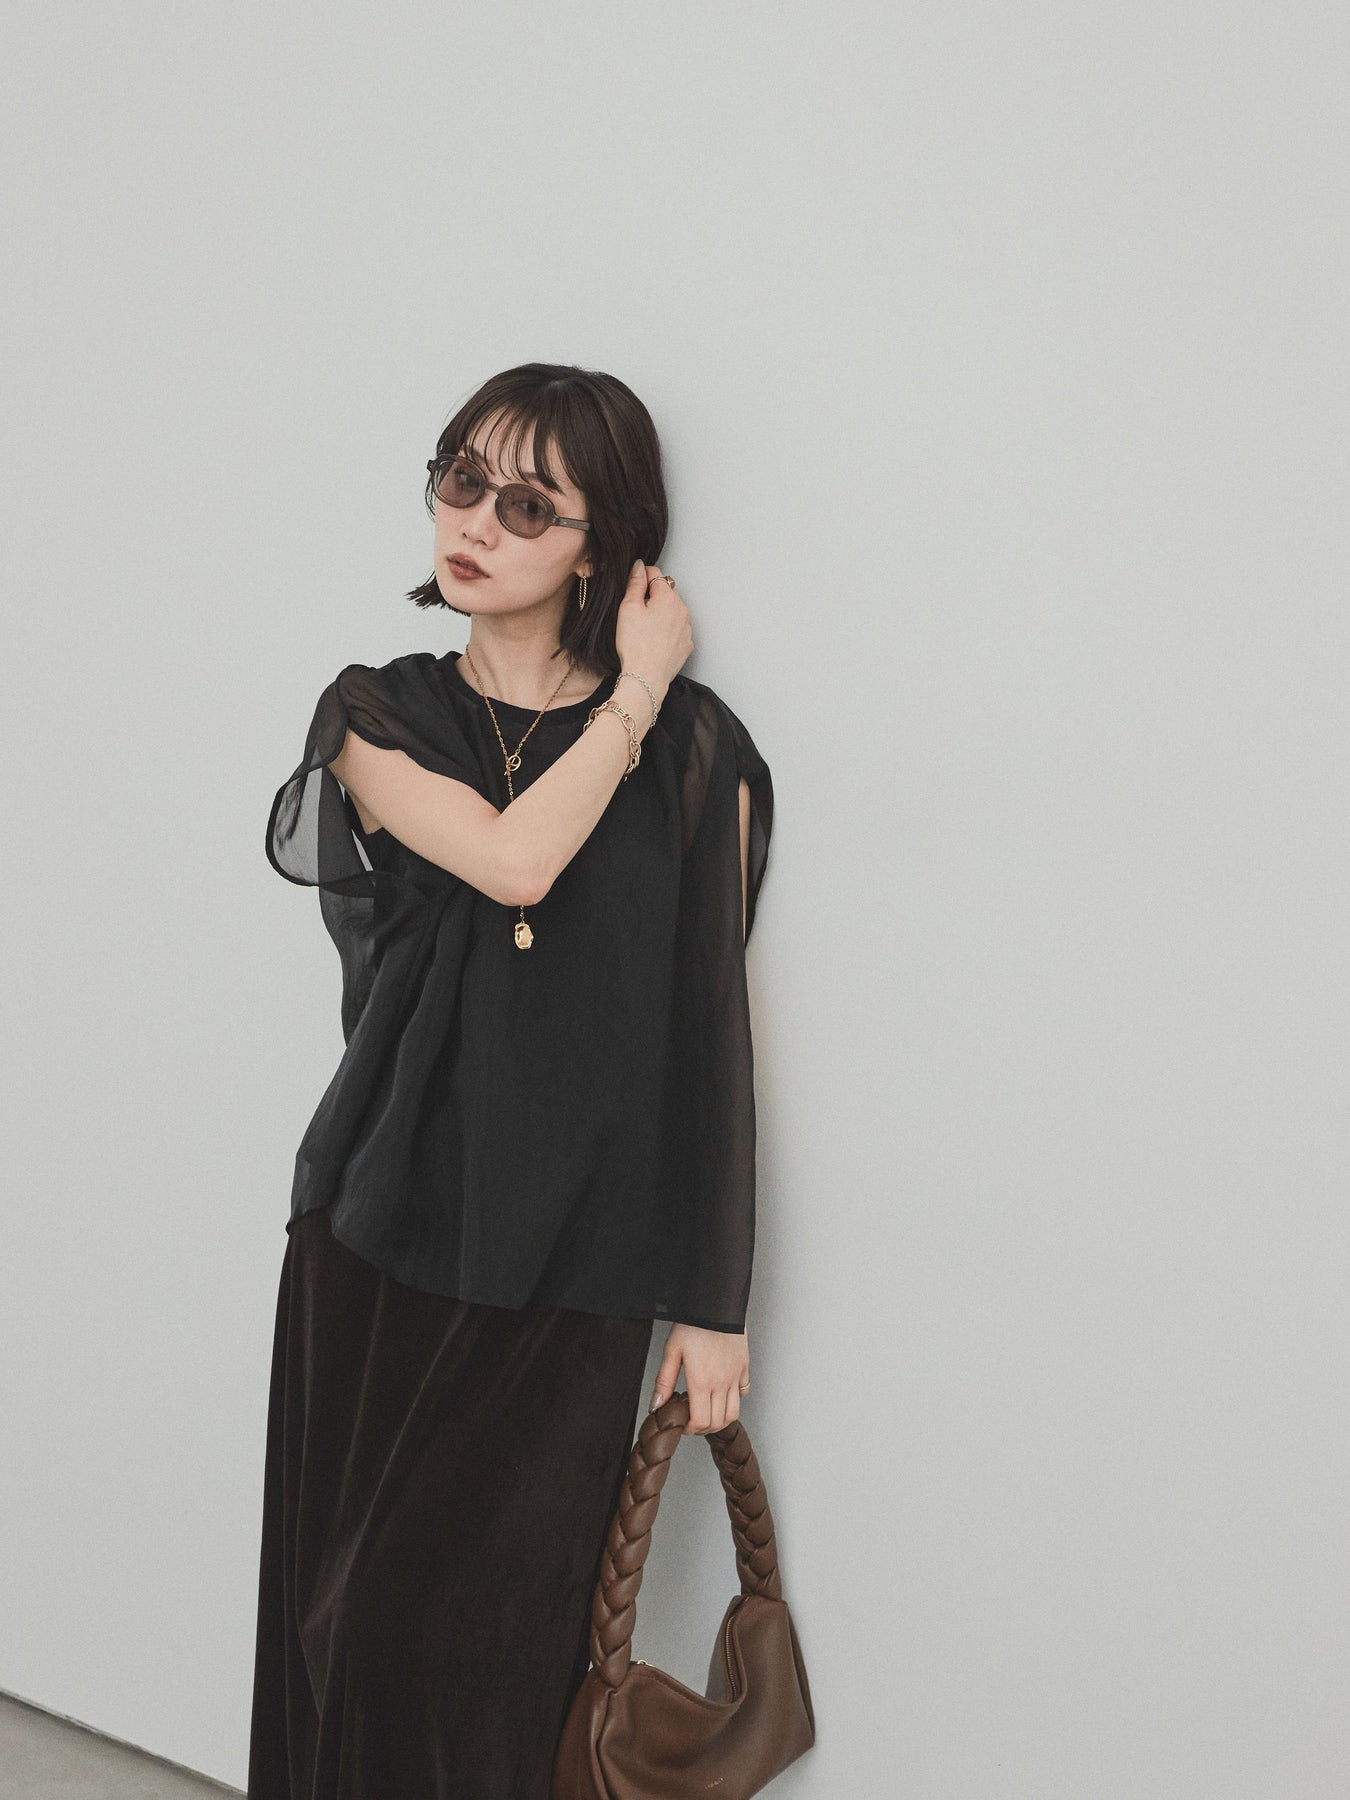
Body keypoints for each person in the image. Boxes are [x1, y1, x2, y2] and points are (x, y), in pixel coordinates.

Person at [246, 362, 774, 1798]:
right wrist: (638, 689)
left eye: (529, 504)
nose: (475, 520)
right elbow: (514, 859)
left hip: (577, 1262)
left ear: (599, 549)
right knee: (345, 1633)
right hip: (380, 1227)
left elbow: (707, 1034)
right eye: (460, 479)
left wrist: (713, 1299)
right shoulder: (378, 712)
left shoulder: (699, 758)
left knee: (492, 1658)